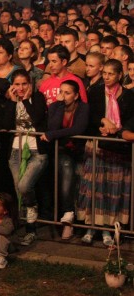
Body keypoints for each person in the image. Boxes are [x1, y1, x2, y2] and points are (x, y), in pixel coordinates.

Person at [77, 59, 134, 246]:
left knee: (112, 190)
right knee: (94, 188)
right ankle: (90, 227)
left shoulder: (129, 95)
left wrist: (117, 129)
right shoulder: (94, 92)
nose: (107, 77)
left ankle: (108, 229)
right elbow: (88, 116)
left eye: (111, 74)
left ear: (119, 75)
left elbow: (130, 119)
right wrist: (103, 121)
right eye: (105, 73)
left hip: (117, 148)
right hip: (97, 145)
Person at [40, 80, 89, 240]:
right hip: (59, 152)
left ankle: (72, 217)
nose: (63, 95)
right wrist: (60, 105)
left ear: (76, 95)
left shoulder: (83, 108)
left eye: (67, 93)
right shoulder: (55, 106)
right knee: (65, 169)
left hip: (78, 152)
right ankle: (67, 215)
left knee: (73, 177)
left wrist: (52, 135)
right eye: (61, 92)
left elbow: (78, 129)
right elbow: (53, 126)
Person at [6, 69, 48, 247]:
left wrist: (25, 100)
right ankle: (29, 228)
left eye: (24, 84)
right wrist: (12, 102)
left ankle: (32, 222)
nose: (21, 88)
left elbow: (37, 119)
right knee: (19, 189)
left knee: (24, 186)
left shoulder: (37, 98)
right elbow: (6, 123)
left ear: (30, 84)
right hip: (16, 151)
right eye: (17, 84)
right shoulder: (10, 100)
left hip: (36, 151)